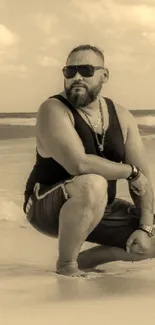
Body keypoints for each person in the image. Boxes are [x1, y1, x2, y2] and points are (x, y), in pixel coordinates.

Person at [23, 44, 155, 277]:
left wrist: (145, 226)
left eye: (85, 70)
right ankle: (67, 265)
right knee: (93, 182)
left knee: (151, 234)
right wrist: (130, 172)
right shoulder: (53, 109)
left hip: (102, 207)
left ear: (104, 75)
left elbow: (144, 177)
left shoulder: (121, 116)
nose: (77, 77)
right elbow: (79, 164)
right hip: (45, 205)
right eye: (69, 71)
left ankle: (88, 261)